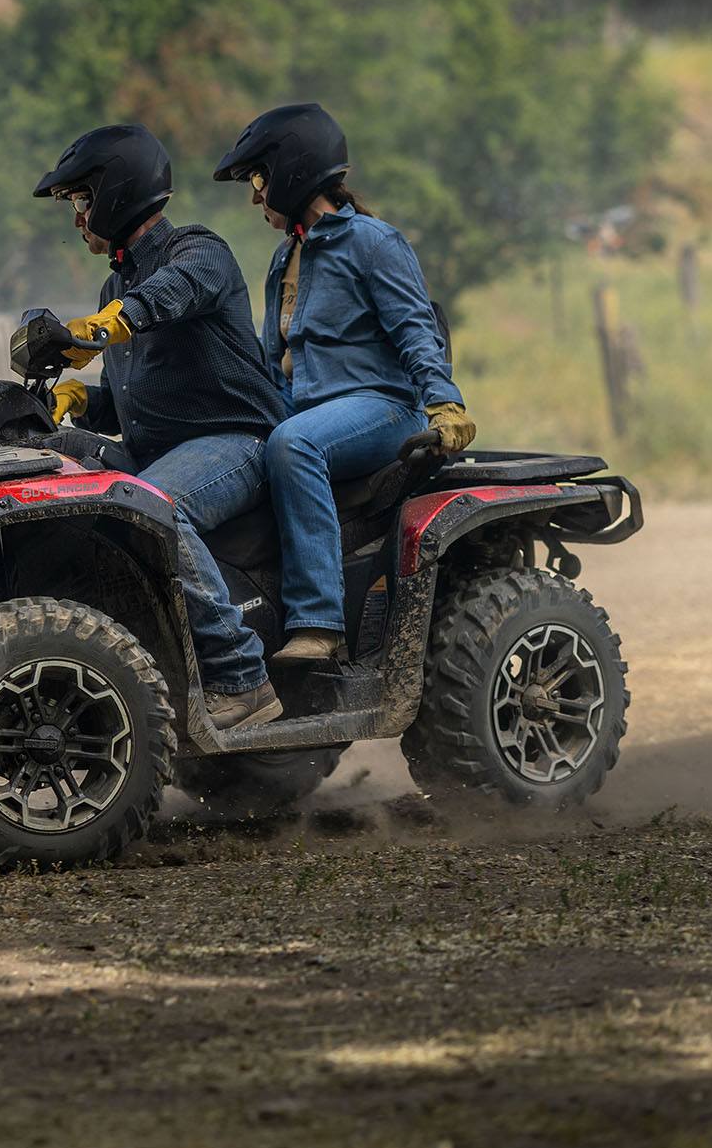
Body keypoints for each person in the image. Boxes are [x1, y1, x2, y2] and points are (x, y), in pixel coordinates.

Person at [31, 123, 289, 731]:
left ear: (118, 192)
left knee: (156, 507)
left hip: (238, 442)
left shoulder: (198, 252)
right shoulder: (116, 285)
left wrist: (101, 328)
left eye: (81, 201)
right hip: (156, 450)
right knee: (53, 460)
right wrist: (80, 403)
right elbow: (136, 403)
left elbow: (169, 296)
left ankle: (241, 678)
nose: (77, 218)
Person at [213, 103, 476, 663]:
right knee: (246, 445)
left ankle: (319, 624)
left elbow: (415, 331)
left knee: (294, 443)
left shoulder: (373, 243)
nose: (256, 196)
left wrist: (444, 403)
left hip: (382, 406)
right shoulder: (283, 258)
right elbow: (269, 361)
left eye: (258, 179)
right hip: (308, 411)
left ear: (292, 171)